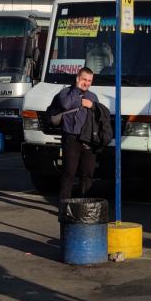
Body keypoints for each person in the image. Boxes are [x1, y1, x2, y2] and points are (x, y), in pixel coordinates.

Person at [50, 67, 98, 203]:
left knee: (88, 174)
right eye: (84, 79)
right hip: (71, 138)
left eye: (89, 81)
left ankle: (85, 206)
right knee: (69, 173)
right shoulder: (65, 92)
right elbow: (65, 105)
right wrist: (76, 90)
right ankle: (64, 205)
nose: (87, 83)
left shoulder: (92, 97)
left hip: (88, 139)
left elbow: (99, 116)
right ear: (78, 78)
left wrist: (92, 106)